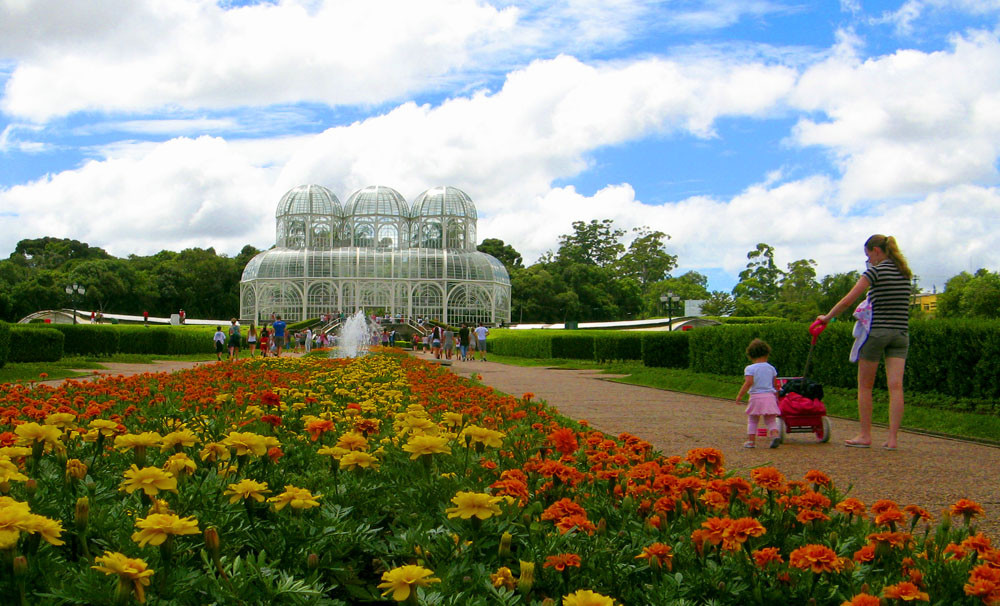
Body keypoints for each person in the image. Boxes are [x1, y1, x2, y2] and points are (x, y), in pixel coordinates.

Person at [817, 234, 912, 450]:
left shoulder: (875, 271)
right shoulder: (905, 273)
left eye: (868, 254)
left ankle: (865, 435)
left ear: (876, 250)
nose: (868, 259)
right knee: (896, 386)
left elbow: (848, 300)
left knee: (865, 386)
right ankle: (892, 439)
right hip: (900, 334)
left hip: (877, 333)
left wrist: (827, 317)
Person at [734, 339, 781, 449]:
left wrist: (740, 395)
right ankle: (774, 435)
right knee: (770, 419)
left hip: (756, 397)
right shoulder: (771, 368)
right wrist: (777, 396)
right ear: (767, 353)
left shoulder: (750, 368)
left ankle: (751, 441)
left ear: (751, 355)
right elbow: (775, 385)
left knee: (753, 419)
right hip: (769, 396)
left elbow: (748, 383)